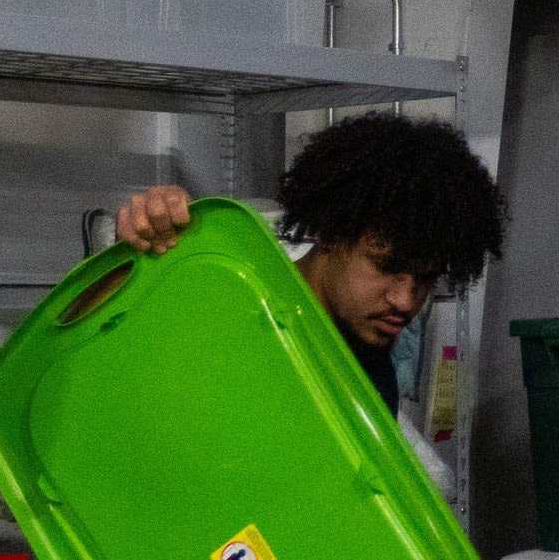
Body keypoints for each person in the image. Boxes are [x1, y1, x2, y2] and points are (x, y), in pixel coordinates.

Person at [111, 113, 507, 411]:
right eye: (388, 269)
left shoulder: (371, 376)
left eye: (425, 279)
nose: (405, 301)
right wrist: (143, 241)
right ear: (330, 232)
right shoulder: (236, 298)